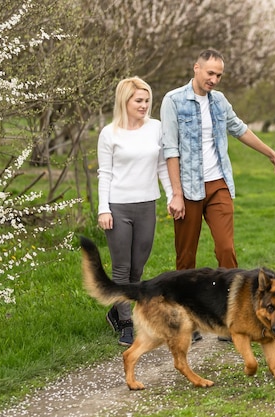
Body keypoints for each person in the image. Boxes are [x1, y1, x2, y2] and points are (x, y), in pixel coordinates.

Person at [161, 49, 275, 341]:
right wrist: (176, 194)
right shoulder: (173, 100)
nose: (214, 79)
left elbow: (241, 129)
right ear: (196, 68)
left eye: (219, 75)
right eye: (210, 73)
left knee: (225, 248)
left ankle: (231, 317)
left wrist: (272, 155)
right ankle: (187, 319)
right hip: (188, 188)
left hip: (218, 183)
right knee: (186, 256)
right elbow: (170, 149)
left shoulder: (219, 101)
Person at [97, 77, 172, 346]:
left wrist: (172, 195)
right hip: (117, 208)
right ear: (124, 101)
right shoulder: (109, 133)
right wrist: (103, 209)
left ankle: (117, 310)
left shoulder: (155, 128)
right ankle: (127, 323)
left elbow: (162, 166)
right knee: (121, 269)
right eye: (138, 100)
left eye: (147, 100)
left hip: (146, 205)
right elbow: (104, 173)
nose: (144, 105)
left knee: (137, 270)